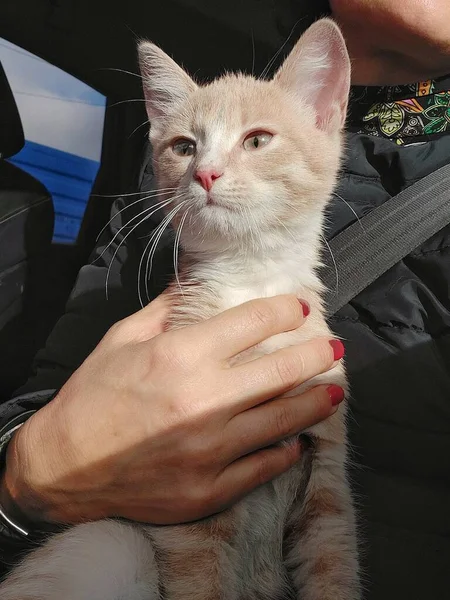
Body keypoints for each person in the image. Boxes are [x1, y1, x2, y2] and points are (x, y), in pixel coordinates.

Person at [1, 1, 449, 598]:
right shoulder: (149, 244)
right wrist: (32, 472)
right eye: (185, 146)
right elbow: (43, 396)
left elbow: (325, 521)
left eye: (256, 139)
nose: (207, 170)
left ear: (324, 112)